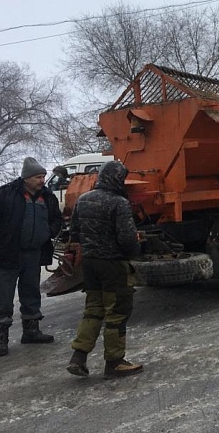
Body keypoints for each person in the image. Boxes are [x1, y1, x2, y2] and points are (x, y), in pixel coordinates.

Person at [66, 160, 143, 379]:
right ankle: (115, 362)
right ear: (117, 178)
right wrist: (135, 252)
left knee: (93, 309)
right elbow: (127, 238)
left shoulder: (83, 199)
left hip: (90, 264)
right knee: (117, 312)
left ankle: (78, 358)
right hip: (112, 264)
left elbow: (75, 231)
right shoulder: (118, 203)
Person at [0, 157, 61, 357]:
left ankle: (31, 332)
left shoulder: (47, 197)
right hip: (7, 255)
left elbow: (57, 219)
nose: (42, 180)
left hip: (33, 255)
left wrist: (48, 231)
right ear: (26, 178)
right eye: (38, 176)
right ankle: (1, 341)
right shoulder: (4, 195)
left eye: (44, 176)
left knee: (31, 294)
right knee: (3, 298)